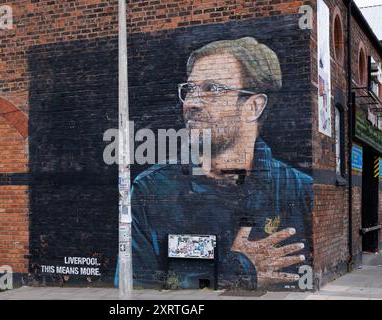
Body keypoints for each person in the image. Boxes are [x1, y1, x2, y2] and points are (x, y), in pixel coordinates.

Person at [120, 37, 313, 289]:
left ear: (253, 106)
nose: (191, 103)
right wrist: (237, 272)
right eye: (190, 89)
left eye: (212, 89)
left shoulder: (300, 191)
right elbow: (138, 286)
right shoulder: (151, 188)